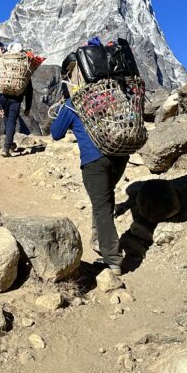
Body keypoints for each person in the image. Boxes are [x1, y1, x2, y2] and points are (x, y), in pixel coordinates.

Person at [50, 53, 127, 274]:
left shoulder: (73, 103)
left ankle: (112, 259)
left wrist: (62, 110)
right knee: (106, 198)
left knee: (101, 208)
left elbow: (56, 134)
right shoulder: (112, 95)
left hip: (94, 162)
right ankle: (102, 245)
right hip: (120, 156)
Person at [0, 44, 33, 157]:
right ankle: (7, 147)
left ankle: (9, 143)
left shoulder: (4, 67)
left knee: (7, 119)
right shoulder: (23, 71)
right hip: (16, 97)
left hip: (2, 96)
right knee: (11, 121)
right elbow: (29, 90)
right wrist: (28, 107)